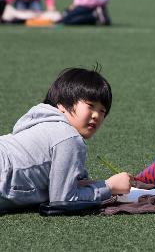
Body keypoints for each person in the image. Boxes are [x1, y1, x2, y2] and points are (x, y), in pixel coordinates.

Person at [0, 66, 132, 213]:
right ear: (62, 104)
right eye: (90, 105)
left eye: (102, 111)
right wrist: (109, 186)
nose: (97, 115)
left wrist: (91, 184)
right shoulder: (69, 137)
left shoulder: (39, 123)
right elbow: (63, 200)